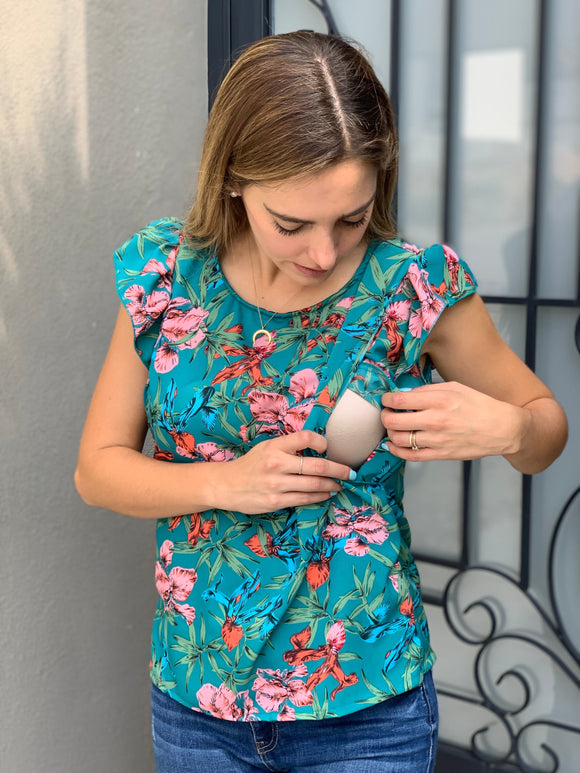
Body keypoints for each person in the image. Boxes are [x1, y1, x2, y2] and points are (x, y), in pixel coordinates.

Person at [75, 30, 567, 773]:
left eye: (352, 217)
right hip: (196, 701)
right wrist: (227, 482)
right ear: (234, 181)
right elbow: (97, 470)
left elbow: (546, 431)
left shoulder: (414, 288)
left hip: (366, 707)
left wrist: (510, 426)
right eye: (292, 224)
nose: (324, 254)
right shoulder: (164, 275)